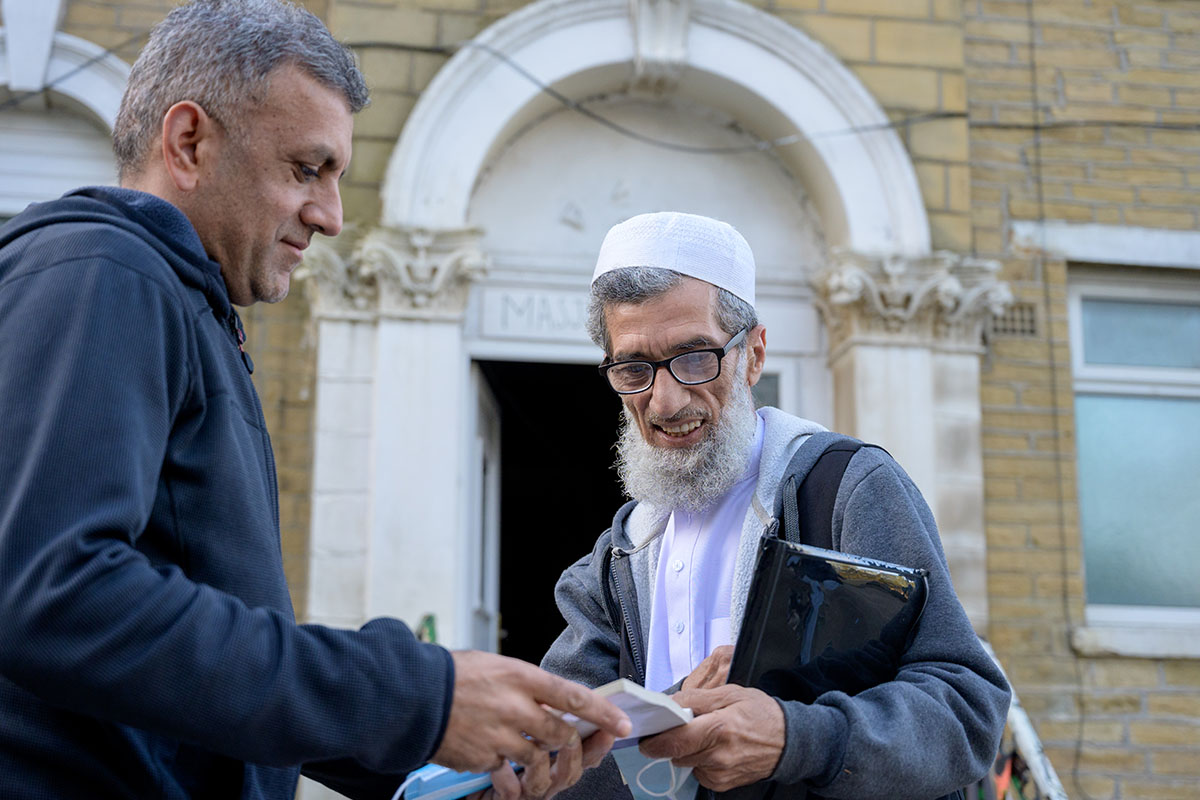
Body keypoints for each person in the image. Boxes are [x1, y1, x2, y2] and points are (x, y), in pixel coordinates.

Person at [0, 2, 628, 799]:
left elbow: (188, 667)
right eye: (307, 169)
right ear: (188, 142)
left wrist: (426, 752)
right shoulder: (104, 271)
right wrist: (416, 698)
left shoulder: (179, 304)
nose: (330, 216)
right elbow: (54, 594)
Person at [541, 212, 1011, 799]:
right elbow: (560, 758)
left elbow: (967, 711)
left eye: (694, 358)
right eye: (635, 369)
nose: (663, 399)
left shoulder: (846, 490)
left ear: (753, 355)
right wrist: (666, 715)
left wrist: (797, 738)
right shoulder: (614, 564)